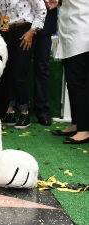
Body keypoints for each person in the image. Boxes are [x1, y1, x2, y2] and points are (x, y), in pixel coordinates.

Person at [0, 0, 47, 129]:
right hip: (6, 30)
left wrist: (31, 32)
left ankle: (25, 113)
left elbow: (42, 11)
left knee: (19, 74)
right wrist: (1, 33)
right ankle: (10, 111)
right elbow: (3, 13)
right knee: (7, 72)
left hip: (24, 31)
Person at [46, 0, 89, 144]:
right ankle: (76, 124)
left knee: (78, 84)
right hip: (70, 34)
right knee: (72, 83)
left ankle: (84, 130)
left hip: (81, 35)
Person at [32, 7, 57, 126]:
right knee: (16, 68)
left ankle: (42, 111)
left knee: (42, 68)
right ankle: (16, 110)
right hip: (20, 24)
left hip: (44, 28)